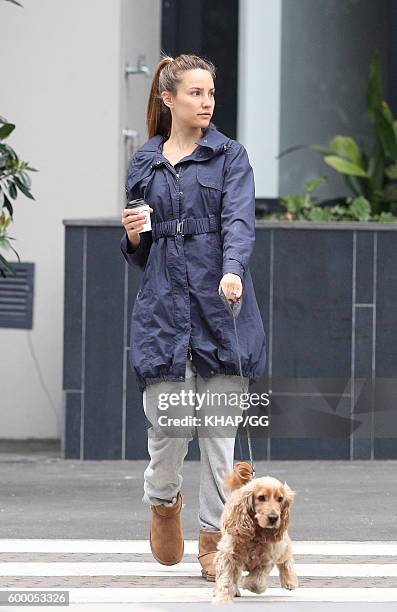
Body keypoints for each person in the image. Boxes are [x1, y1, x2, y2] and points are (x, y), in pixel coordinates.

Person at [120, 53, 266, 581]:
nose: (206, 103)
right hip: (163, 311)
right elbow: (139, 250)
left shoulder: (230, 156)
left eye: (210, 93)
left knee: (219, 436)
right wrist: (135, 233)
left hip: (221, 307)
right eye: (195, 94)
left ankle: (215, 538)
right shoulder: (145, 162)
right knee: (169, 430)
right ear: (168, 98)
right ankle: (163, 501)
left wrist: (232, 271)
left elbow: (239, 223)